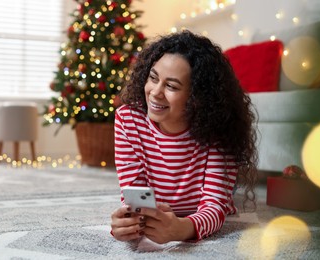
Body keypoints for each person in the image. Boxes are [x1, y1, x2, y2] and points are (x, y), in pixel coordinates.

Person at [110, 30, 257, 244]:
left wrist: (182, 229)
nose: (155, 92)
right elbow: (134, 195)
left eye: (171, 86)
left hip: (201, 205)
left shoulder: (219, 127)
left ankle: (230, 191)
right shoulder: (128, 120)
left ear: (197, 98)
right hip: (162, 208)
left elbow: (214, 208)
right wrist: (127, 223)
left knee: (224, 198)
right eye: (153, 78)